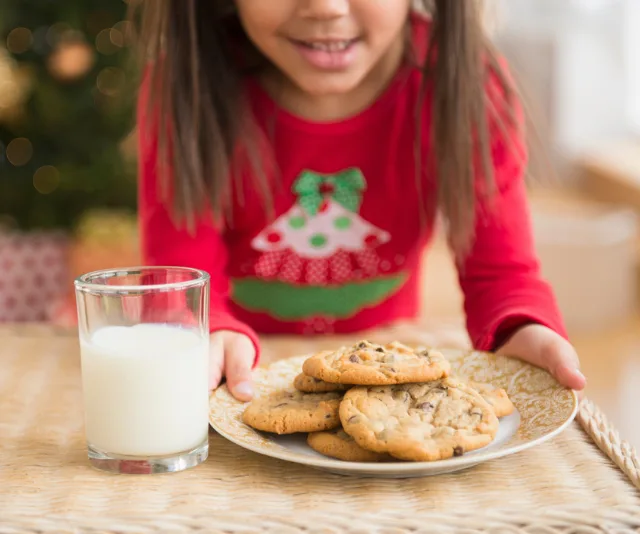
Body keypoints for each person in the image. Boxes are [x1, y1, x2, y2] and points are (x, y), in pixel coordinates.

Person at [133, 0, 587, 402]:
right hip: (239, 384)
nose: (326, 8)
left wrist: (523, 330)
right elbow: (180, 291)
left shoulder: (466, 82)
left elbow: (503, 280)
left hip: (386, 373)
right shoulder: (185, 85)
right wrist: (205, 334)